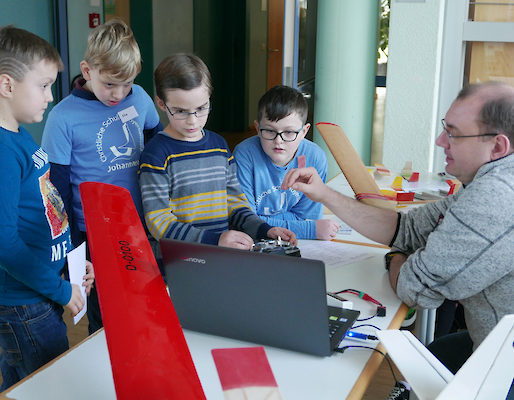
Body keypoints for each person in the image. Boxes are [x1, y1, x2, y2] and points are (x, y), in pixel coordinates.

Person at [282, 81, 514, 375]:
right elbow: (407, 228)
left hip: (504, 365)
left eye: (453, 133)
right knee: (432, 358)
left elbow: (416, 289)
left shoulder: (494, 197)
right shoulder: (488, 181)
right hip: (491, 343)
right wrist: (325, 194)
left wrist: (395, 258)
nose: (441, 141)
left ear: (497, 146)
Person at [41, 19, 162, 334]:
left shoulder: (140, 99)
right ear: (87, 70)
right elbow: (58, 192)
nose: (120, 94)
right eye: (110, 84)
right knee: (106, 315)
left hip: (142, 223)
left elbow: (157, 153)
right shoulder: (62, 118)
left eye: (128, 84)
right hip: (94, 232)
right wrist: (71, 247)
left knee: (146, 304)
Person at [0, 25, 94, 389]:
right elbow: (5, 243)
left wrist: (71, 261)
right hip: (25, 304)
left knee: (24, 384)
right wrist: (60, 291)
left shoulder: (19, 134)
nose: (50, 96)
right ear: (7, 85)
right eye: (42, 86)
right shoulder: (5, 152)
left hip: (41, 292)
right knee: (50, 387)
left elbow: (45, 210)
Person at [139, 54, 296, 261]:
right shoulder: (155, 154)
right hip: (178, 264)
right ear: (161, 103)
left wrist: (263, 230)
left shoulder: (220, 146)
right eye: (180, 111)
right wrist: (215, 240)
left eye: (201, 108)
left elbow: (235, 203)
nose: (193, 120)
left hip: (218, 258)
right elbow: (159, 222)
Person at [233, 85, 339, 240]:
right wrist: (309, 230)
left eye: (289, 132)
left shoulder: (315, 158)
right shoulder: (244, 155)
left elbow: (306, 217)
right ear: (257, 128)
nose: (278, 141)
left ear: (304, 132)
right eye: (269, 131)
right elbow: (246, 222)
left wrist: (263, 220)